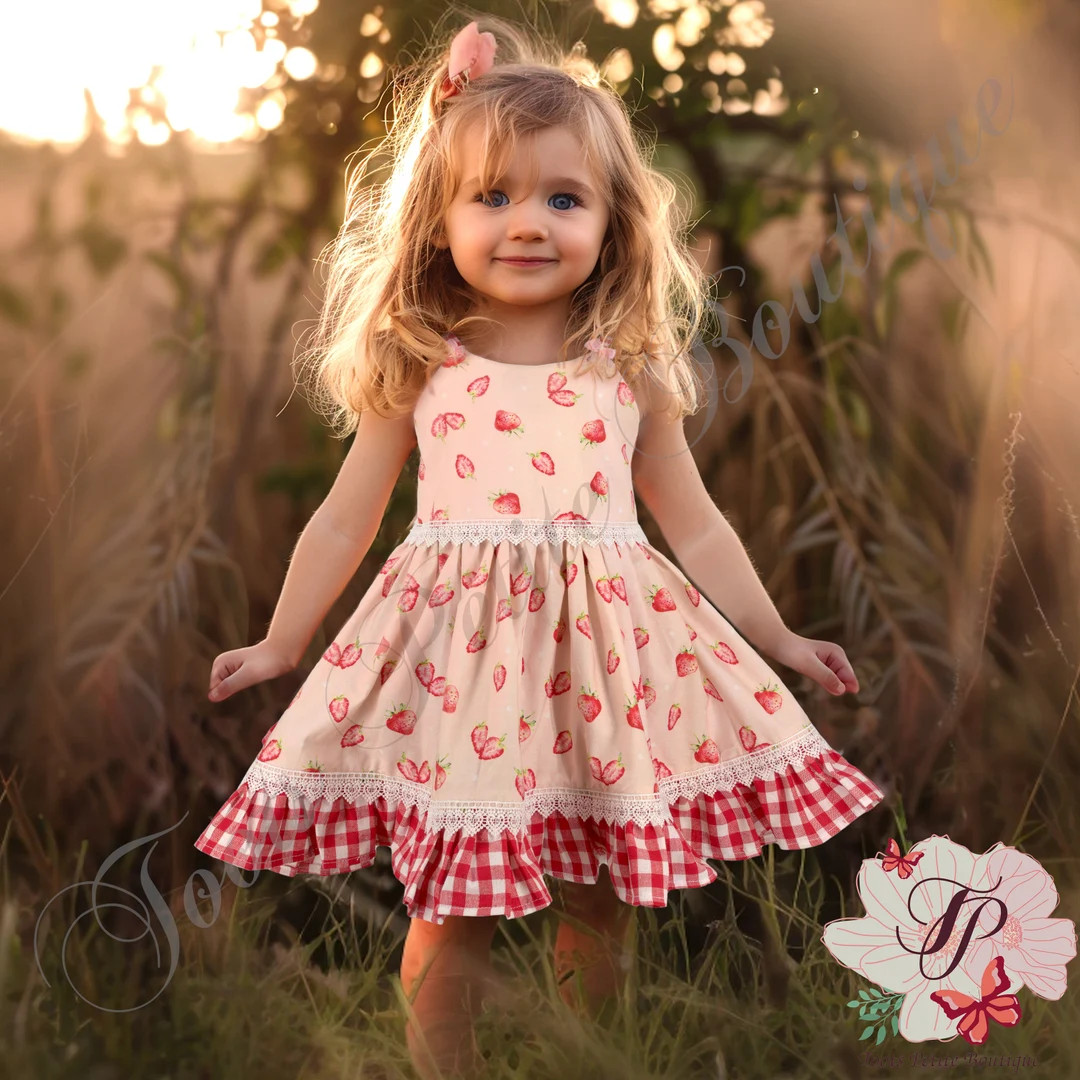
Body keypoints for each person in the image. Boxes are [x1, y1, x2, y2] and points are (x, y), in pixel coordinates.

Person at [194, 14, 885, 1078]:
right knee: (451, 908)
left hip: (606, 662)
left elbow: (692, 519)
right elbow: (345, 514)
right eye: (494, 197)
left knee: (600, 896)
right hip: (462, 669)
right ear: (437, 219)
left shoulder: (632, 366)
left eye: (564, 199)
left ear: (614, 224)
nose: (529, 224)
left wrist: (780, 636)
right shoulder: (425, 358)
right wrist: (284, 644)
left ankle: (584, 1058)